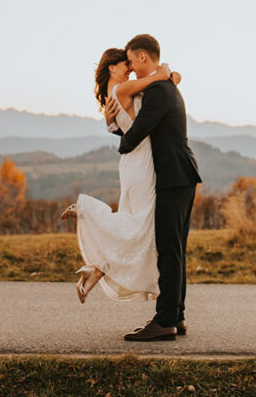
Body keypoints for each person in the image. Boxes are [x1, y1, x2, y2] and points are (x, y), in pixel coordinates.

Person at [62, 47, 179, 304]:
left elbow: (130, 122)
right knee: (140, 224)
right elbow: (159, 77)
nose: (130, 67)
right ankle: (87, 210)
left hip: (135, 162)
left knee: (137, 224)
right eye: (125, 63)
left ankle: (97, 270)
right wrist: (167, 69)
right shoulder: (122, 89)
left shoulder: (118, 92)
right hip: (141, 163)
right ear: (111, 68)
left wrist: (111, 125)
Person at [109, 33, 201, 342]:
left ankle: (164, 322)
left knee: (168, 251)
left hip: (173, 177)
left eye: (133, 61)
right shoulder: (165, 85)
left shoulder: (160, 91)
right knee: (175, 250)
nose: (131, 68)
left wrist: (119, 135)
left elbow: (135, 136)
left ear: (144, 57)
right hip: (181, 176)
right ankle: (177, 316)